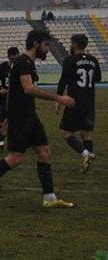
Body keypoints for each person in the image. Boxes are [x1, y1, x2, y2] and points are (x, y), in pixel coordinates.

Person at [0, 30, 76, 210]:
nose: (48, 49)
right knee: (16, 157)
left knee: (44, 152)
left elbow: (14, 91)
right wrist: (58, 98)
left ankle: (49, 198)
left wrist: (6, 118)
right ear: (36, 44)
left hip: (29, 115)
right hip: (21, 117)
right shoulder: (23, 62)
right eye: (46, 45)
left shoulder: (27, 63)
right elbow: (28, 89)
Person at [56, 34, 101, 173]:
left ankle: (85, 153)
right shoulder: (94, 60)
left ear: (75, 44)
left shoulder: (69, 60)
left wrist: (58, 99)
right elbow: (97, 79)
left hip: (74, 102)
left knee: (65, 132)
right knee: (86, 133)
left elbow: (63, 80)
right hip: (89, 102)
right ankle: (88, 166)